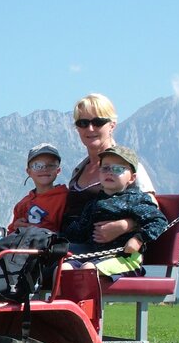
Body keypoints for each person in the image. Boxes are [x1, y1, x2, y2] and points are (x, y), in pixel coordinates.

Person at [61, 146, 167, 278]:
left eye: (118, 169)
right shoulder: (94, 204)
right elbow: (80, 231)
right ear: (99, 173)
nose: (110, 172)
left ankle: (87, 299)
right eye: (105, 168)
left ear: (132, 178)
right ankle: (68, 298)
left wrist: (138, 239)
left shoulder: (135, 199)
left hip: (125, 259)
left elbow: (159, 221)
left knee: (88, 269)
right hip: (95, 254)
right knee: (64, 268)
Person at [64, 93, 156, 240]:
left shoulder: (128, 166)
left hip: (107, 253)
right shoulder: (79, 169)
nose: (90, 128)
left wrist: (125, 226)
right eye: (83, 123)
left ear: (112, 125)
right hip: (70, 244)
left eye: (98, 122)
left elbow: (152, 209)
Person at [7, 143, 68, 234]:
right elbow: (10, 234)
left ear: (58, 170)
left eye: (50, 165)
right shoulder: (22, 204)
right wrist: (16, 228)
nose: (44, 169)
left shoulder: (65, 198)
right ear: (29, 172)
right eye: (37, 166)